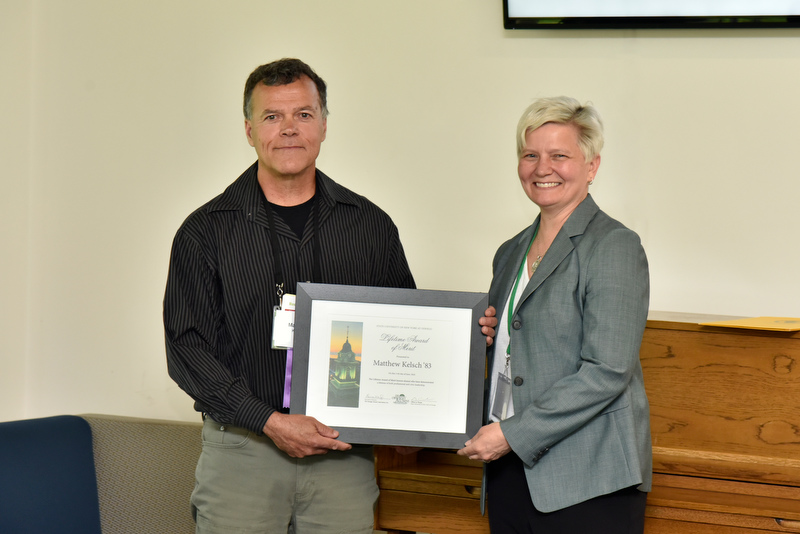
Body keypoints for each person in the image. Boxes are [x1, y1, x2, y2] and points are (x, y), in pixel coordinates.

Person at [164, 58, 496, 534]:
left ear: (323, 124)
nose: (288, 130)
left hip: (344, 459)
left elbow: (406, 335)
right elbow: (186, 351)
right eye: (271, 117)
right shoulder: (205, 231)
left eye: (302, 114)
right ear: (249, 130)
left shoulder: (369, 225)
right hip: (243, 454)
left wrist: (467, 335)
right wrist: (270, 421)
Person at [458, 97, 651, 533]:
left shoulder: (614, 246)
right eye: (530, 155)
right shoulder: (510, 251)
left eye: (559, 155)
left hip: (588, 477)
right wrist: (489, 336)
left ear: (591, 165)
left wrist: (512, 435)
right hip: (510, 468)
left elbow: (607, 370)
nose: (542, 168)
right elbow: (526, 341)